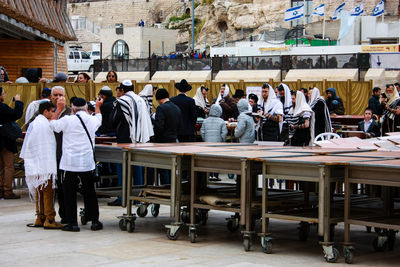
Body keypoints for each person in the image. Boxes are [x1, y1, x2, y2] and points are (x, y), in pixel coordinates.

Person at [50, 97, 104, 232]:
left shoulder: (68, 119)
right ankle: (94, 221)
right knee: (89, 191)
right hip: (86, 162)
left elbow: (53, 126)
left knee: (69, 193)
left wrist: (59, 109)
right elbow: (99, 118)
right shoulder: (91, 120)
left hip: (70, 162)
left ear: (73, 109)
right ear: (86, 108)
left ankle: (72, 223)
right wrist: (98, 106)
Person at [21, 101, 63, 229]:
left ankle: (40, 217)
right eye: (52, 111)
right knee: (48, 191)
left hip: (35, 163)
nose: (53, 113)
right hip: (45, 163)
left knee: (40, 191)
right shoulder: (44, 124)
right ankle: (49, 219)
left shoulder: (35, 123)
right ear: (45, 111)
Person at [0, 87, 23, 199]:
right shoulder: (2, 107)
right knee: (8, 166)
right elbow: (16, 114)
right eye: (3, 94)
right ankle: (7, 191)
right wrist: (18, 101)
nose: (4, 96)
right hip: (5, 140)